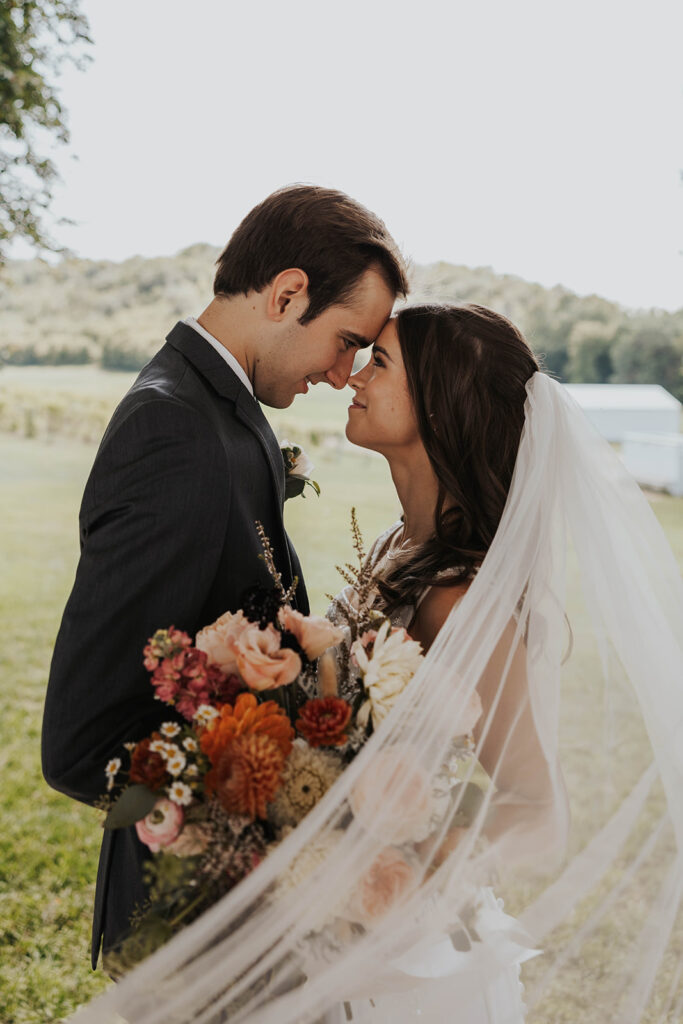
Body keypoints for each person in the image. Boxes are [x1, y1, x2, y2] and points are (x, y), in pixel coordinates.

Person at [68, 304, 683, 1024]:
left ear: (440, 405)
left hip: (401, 961)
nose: (352, 375)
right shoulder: (398, 543)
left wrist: (393, 858)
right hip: (321, 927)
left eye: (380, 362)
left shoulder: (460, 599)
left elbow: (538, 810)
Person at [41, 184, 408, 971]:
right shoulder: (174, 430)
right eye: (346, 341)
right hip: (193, 913)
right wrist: (248, 807)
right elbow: (80, 744)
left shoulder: (221, 414)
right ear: (285, 294)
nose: (346, 373)